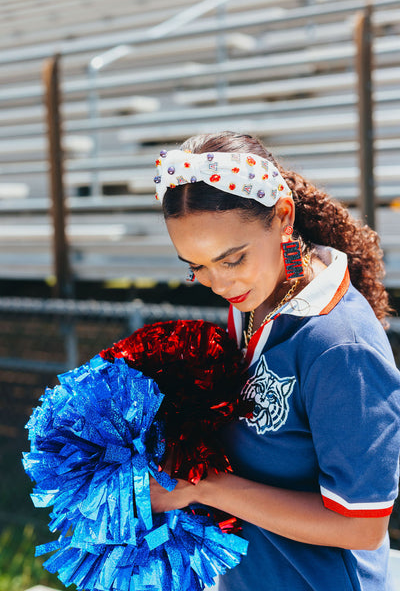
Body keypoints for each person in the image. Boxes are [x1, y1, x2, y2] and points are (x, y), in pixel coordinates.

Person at [150, 131, 400, 590]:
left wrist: (206, 486)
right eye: (195, 266)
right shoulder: (254, 298)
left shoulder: (340, 346)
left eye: (231, 259)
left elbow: (362, 527)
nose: (218, 283)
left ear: (283, 216)